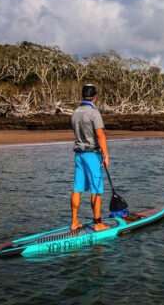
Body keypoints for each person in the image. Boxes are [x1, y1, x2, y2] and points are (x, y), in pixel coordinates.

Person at [70, 83, 110, 232]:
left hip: (78, 155)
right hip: (92, 154)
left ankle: (74, 222)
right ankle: (98, 223)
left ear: (83, 95)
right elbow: (100, 135)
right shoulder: (94, 113)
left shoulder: (75, 112)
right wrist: (106, 155)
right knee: (96, 189)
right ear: (94, 97)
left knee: (77, 188)